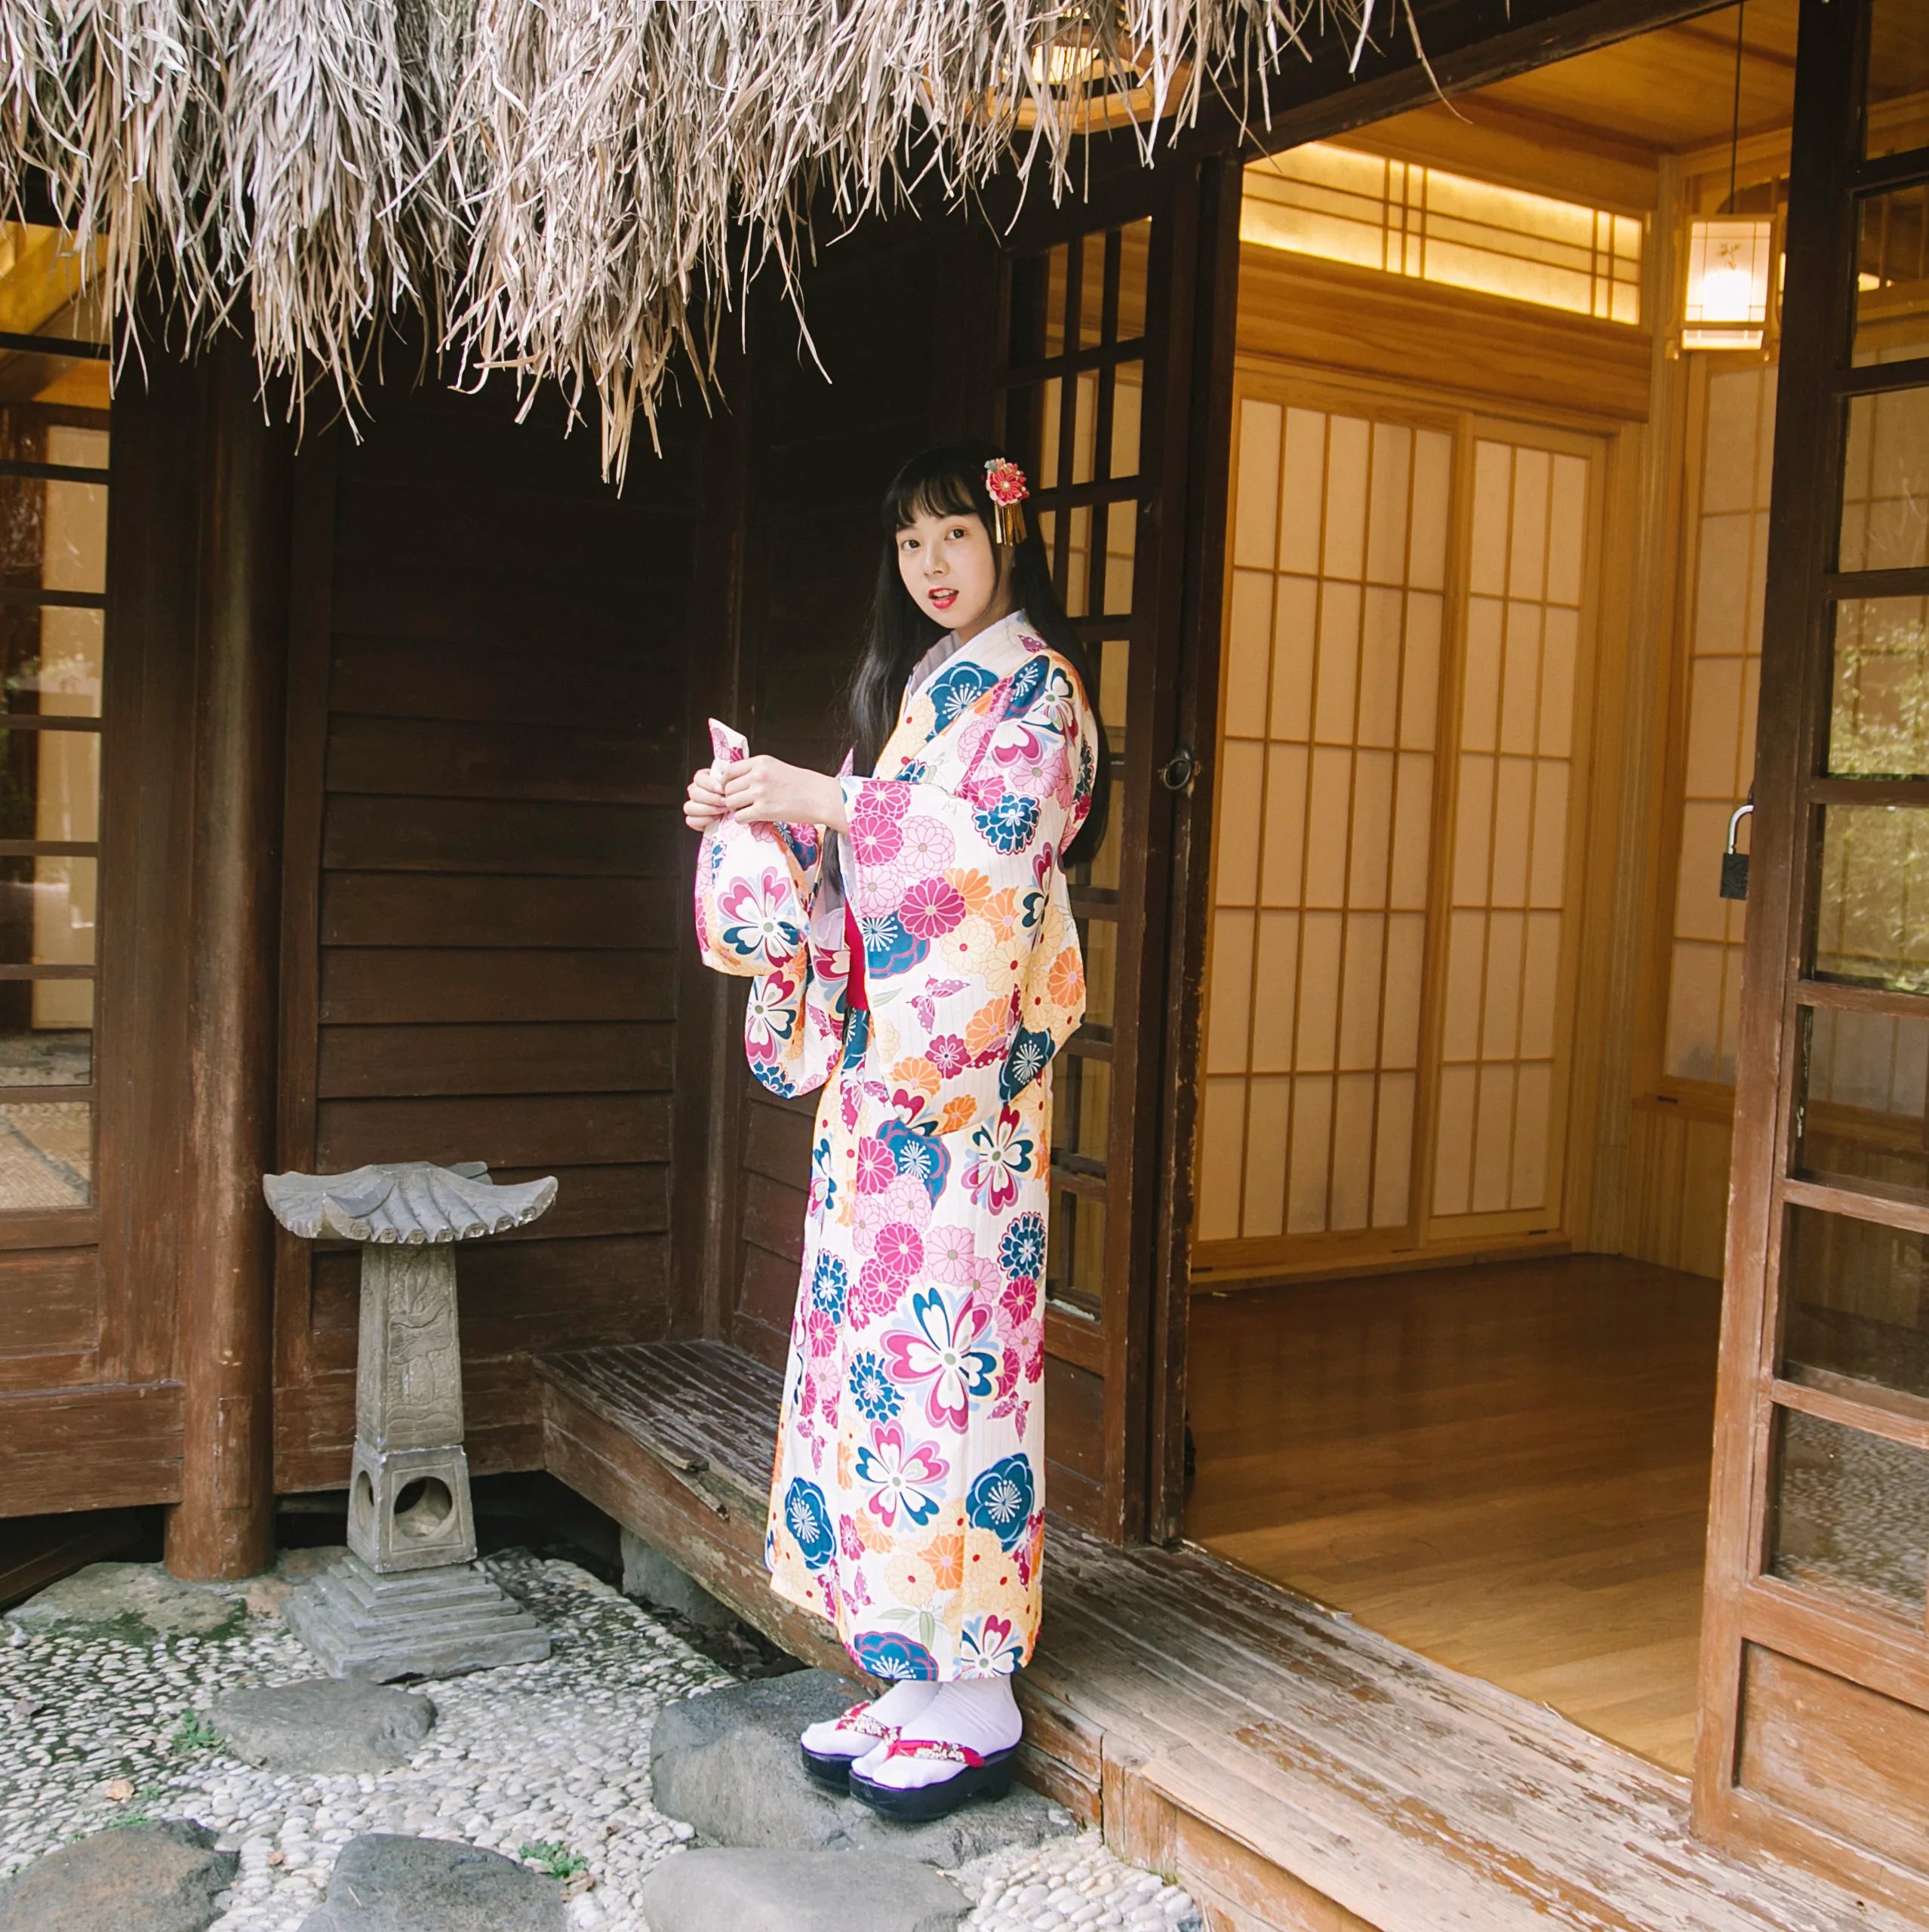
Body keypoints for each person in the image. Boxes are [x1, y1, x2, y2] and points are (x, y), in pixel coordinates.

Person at [685, 441, 1109, 1823]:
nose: (932, 565)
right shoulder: (922, 692)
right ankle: (911, 1663)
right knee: (878, 1372)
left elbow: (988, 855)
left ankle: (978, 1685)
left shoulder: (1038, 692)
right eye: (910, 543)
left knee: (958, 1361)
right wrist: (760, 822)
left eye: (955, 537)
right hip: (883, 1098)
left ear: (1009, 541)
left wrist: (829, 800)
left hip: (967, 1101)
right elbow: (857, 864)